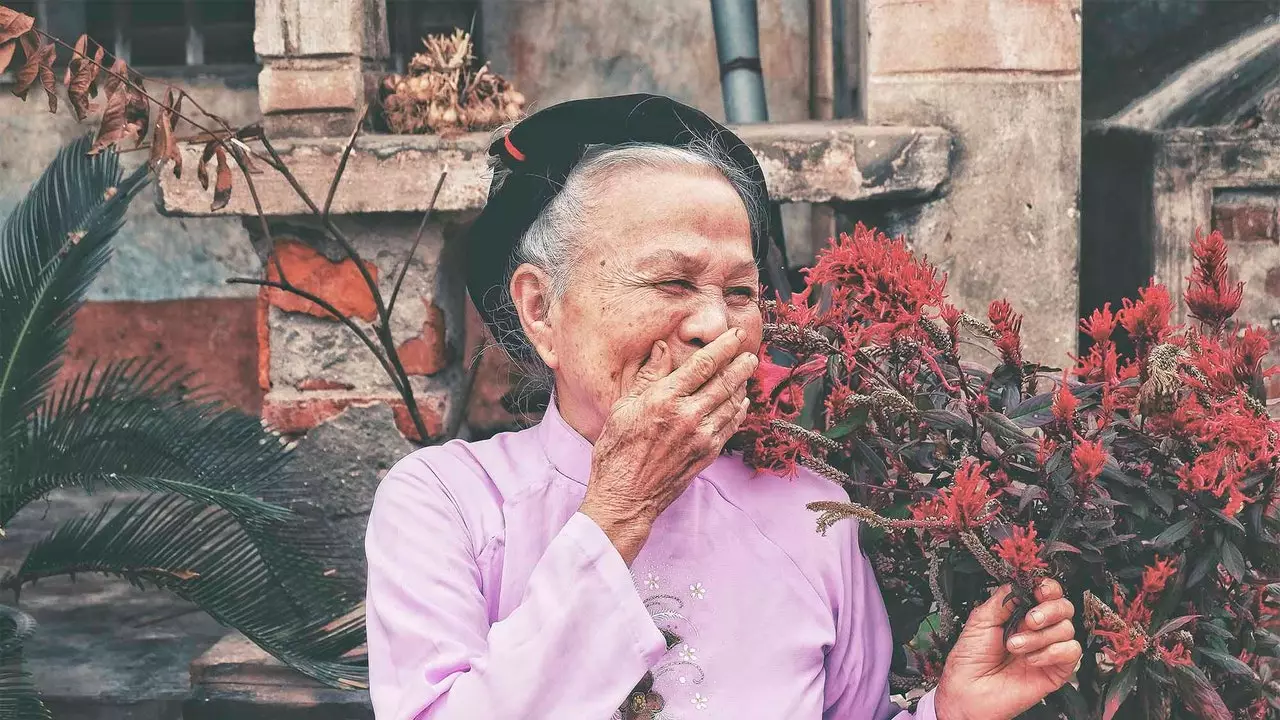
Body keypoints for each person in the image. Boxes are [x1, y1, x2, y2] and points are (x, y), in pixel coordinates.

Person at [365, 94, 1082, 720]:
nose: (716, 324)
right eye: (673, 281)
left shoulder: (811, 519)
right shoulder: (447, 505)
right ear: (541, 308)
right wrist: (618, 513)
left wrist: (952, 714)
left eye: (740, 293)